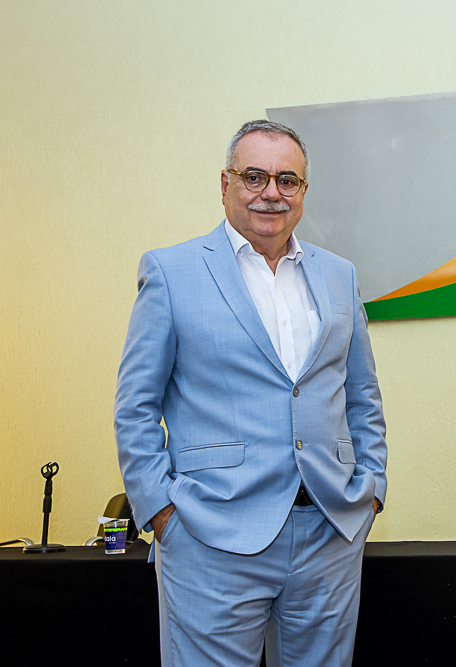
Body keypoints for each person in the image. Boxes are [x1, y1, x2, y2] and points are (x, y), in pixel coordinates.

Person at [114, 120, 387, 666]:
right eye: (254, 177)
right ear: (226, 184)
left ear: (303, 190)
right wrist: (161, 512)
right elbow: (135, 405)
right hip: (210, 535)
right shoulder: (171, 271)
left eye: (287, 180)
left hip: (328, 531)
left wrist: (371, 486)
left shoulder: (340, 275)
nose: (271, 193)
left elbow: (362, 396)